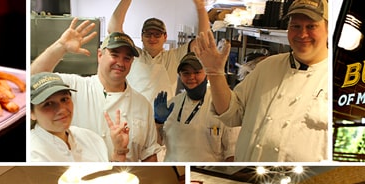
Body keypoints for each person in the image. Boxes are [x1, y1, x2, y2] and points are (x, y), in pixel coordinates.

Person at [194, 0, 329, 162]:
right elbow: (231, 114)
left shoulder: (333, 77)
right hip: (246, 174)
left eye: (311, 26)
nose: (302, 34)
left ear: (328, 29)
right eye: (295, 26)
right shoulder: (268, 66)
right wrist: (215, 73)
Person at [31, 21, 162, 162]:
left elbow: (149, 154)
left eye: (127, 58)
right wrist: (60, 47)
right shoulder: (75, 87)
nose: (120, 62)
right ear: (100, 55)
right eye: (114, 54)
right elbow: (33, 82)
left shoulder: (143, 105)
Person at [107, 0, 210, 103]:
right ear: (141, 37)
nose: (152, 38)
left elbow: (202, 41)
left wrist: (201, 8)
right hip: (132, 115)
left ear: (165, 37)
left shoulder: (173, 56)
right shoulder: (133, 54)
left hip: (164, 118)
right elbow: (113, 29)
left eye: (157, 34)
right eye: (148, 34)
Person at [153, 52, 239, 161]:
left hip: (204, 172)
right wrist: (157, 123)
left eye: (197, 72)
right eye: (186, 73)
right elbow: (157, 143)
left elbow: (232, 154)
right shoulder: (171, 105)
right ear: (180, 76)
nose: (191, 77)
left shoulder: (222, 105)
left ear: (207, 74)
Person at [29, 72, 130, 162]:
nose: (62, 110)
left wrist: (119, 152)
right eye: (48, 104)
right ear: (31, 113)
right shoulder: (32, 153)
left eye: (64, 99)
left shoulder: (90, 138)